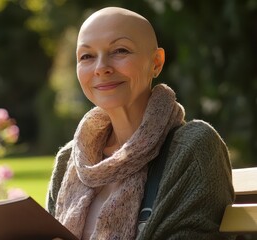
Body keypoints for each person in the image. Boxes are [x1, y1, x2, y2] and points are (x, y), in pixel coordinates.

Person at [46, 6, 235, 240]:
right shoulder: (70, 160)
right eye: (87, 56)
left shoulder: (193, 148)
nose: (101, 68)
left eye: (120, 50)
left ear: (156, 62)